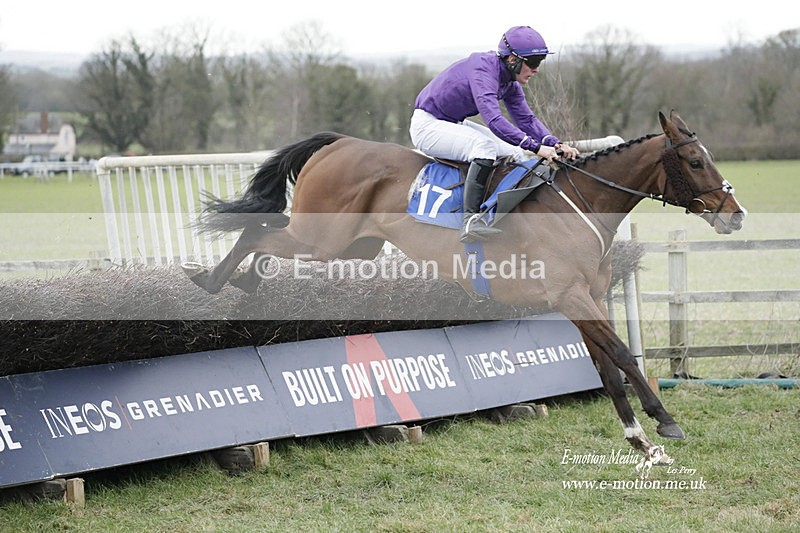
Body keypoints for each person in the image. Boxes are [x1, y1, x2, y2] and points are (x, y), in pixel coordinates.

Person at [410, 25, 580, 243]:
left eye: (540, 62)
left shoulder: (509, 80)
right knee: (485, 148)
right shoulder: (483, 71)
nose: (537, 69)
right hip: (428, 126)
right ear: (512, 60)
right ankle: (470, 220)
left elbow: (526, 120)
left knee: (516, 151)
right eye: (533, 63)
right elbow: (494, 120)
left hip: (453, 123)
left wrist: (556, 144)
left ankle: (504, 213)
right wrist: (537, 148)